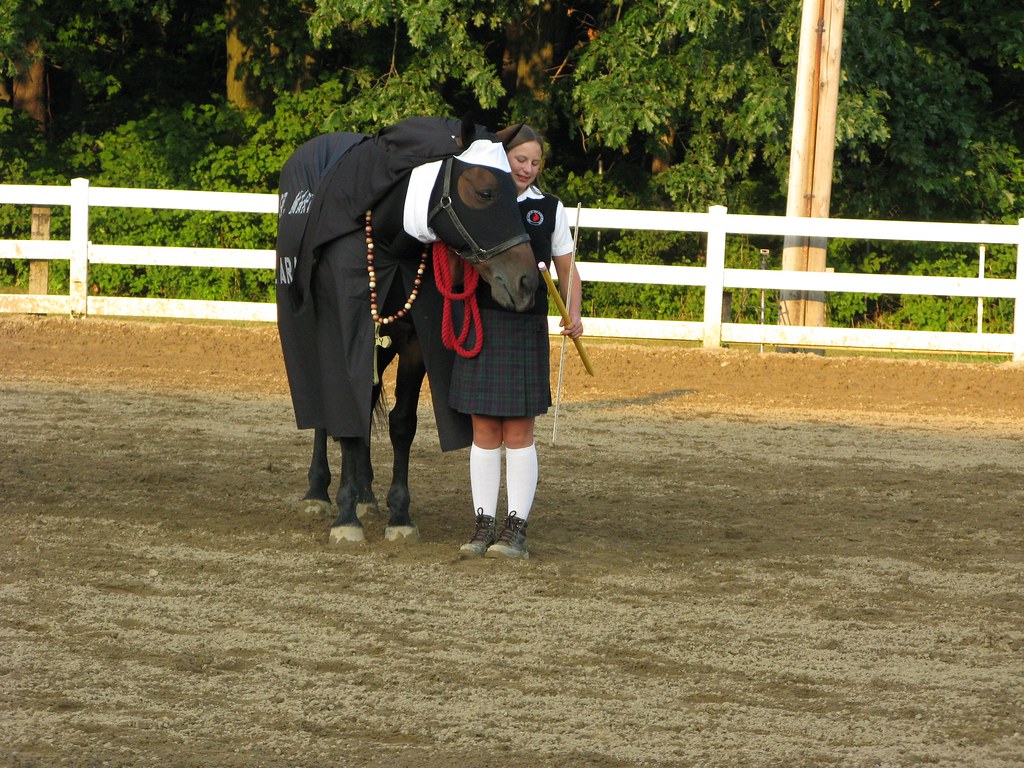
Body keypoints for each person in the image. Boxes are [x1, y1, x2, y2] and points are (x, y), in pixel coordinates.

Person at [450, 125, 584, 560]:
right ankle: (483, 526)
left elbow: (568, 271)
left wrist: (574, 312)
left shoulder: (549, 208)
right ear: (503, 159)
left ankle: (516, 530)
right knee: (485, 430)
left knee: (519, 432)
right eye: (520, 159)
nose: (527, 168)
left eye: (535, 162)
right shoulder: (480, 200)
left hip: (525, 327)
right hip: (481, 322)